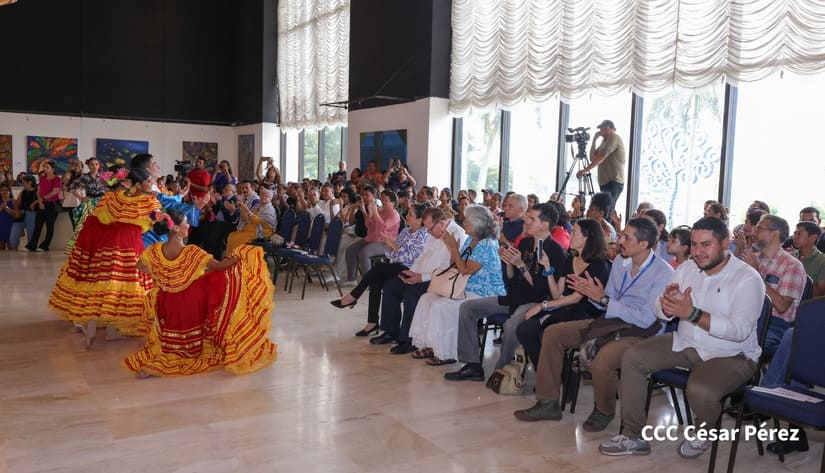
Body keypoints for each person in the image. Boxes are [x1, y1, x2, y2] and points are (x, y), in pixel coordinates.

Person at [599, 217, 764, 459]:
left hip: (731, 354)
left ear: (725, 244)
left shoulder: (748, 279)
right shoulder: (687, 268)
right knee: (633, 357)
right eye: (694, 244)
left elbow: (739, 331)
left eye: (706, 245)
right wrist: (667, 306)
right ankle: (632, 436)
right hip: (686, 342)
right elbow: (659, 309)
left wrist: (693, 313)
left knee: (700, 389)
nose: (698, 252)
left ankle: (705, 432)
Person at [513, 218, 673, 432]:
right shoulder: (621, 262)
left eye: (626, 238)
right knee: (553, 333)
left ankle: (604, 410)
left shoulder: (664, 273)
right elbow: (607, 299)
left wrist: (604, 300)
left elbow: (647, 319)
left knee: (603, 358)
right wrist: (591, 293)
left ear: (643, 244)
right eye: (621, 235)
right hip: (611, 322)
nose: (619, 241)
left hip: (640, 332)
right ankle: (548, 401)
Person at [123, 211, 275, 377]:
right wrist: (241, 256)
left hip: (167, 299)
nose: (189, 226)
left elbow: (139, 266)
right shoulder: (192, 251)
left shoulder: (155, 250)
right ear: (176, 229)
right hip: (191, 301)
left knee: (172, 328)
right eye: (186, 223)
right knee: (214, 295)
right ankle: (187, 352)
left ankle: (168, 354)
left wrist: (161, 274)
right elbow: (220, 266)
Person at [444, 203, 567, 380]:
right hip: (514, 296)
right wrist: (509, 264)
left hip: (535, 302)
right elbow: (511, 279)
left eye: (532, 219)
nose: (526, 221)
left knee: (510, 325)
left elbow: (542, 289)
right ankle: (472, 364)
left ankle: (502, 371)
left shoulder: (556, 251)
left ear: (545, 225)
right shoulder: (525, 242)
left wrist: (520, 265)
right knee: (468, 308)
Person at [49, 167, 163, 348]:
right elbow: (152, 225)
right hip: (128, 247)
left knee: (101, 286)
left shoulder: (112, 197)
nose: (152, 184)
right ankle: (109, 332)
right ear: (138, 184)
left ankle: (96, 332)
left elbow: (99, 219)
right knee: (118, 289)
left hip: (106, 247)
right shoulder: (148, 202)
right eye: (149, 181)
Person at [409, 205, 506, 366]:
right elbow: (455, 265)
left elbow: (466, 270)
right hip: (466, 286)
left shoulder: (487, 244)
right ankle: (431, 345)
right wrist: (451, 247)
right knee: (426, 298)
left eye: (467, 220)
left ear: (476, 223)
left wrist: (453, 247)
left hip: (484, 291)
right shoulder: (471, 240)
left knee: (441, 306)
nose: (463, 222)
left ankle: (446, 353)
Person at [514, 219, 612, 370]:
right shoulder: (571, 258)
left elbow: (576, 298)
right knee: (524, 330)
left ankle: (558, 373)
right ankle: (545, 371)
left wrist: (542, 306)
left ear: (586, 238)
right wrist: (547, 268)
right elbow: (556, 293)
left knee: (544, 334)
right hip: (565, 309)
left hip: (584, 315)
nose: (569, 236)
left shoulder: (599, 265)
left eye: (574, 233)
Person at [370, 208, 467, 354]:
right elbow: (423, 255)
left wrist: (421, 277)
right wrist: (412, 272)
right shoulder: (434, 232)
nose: (428, 232)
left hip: (439, 280)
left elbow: (448, 267)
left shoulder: (456, 234)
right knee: (391, 286)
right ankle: (391, 331)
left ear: (440, 223)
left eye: (429, 229)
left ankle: (408, 339)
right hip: (421, 275)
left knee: (411, 293)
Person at [330, 204, 429, 336]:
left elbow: (410, 257)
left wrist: (394, 246)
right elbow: (391, 254)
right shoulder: (405, 231)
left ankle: (353, 297)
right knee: (375, 280)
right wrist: (394, 247)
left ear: (419, 220)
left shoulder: (423, 235)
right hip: (397, 265)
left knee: (377, 268)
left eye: (410, 214)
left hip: (411, 269)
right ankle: (372, 323)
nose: (406, 216)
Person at [738, 214, 806, 357]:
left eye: (759, 229)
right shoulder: (754, 258)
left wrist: (756, 275)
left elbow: (782, 306)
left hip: (774, 323)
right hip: (748, 315)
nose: (753, 232)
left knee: (735, 345)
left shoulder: (792, 266)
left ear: (774, 234)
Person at [343, 187, 400, 284]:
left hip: (386, 243)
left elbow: (382, 228)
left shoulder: (394, 214)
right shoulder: (380, 211)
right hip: (372, 238)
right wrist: (369, 212)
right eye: (382, 200)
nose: (383, 202)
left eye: (386, 200)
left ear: (393, 203)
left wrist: (375, 213)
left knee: (364, 252)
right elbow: (368, 225)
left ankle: (369, 282)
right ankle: (351, 279)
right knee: (350, 250)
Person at [577, 120, 626, 211]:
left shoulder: (614, 137)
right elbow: (592, 158)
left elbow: (602, 156)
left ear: (613, 129)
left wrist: (585, 170)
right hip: (605, 182)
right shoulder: (604, 142)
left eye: (605, 129)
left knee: (607, 210)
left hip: (614, 181)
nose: (602, 131)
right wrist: (594, 140)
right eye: (601, 129)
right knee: (604, 210)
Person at [225, 186, 277, 255]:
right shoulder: (257, 206)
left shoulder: (270, 209)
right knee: (232, 235)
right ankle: (229, 257)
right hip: (251, 229)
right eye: (262, 195)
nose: (263, 197)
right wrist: (242, 209)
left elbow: (259, 221)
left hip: (262, 231)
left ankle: (237, 258)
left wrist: (246, 210)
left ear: (270, 199)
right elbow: (248, 218)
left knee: (238, 238)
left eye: (266, 196)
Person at [24, 161, 62, 252]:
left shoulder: (57, 179)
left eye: (47, 167)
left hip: (52, 204)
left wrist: (43, 198)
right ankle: (31, 246)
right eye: (44, 167)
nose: (45, 169)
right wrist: (40, 202)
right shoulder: (43, 178)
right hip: (42, 203)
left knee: (49, 225)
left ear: (53, 169)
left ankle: (45, 246)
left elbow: (55, 191)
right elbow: (38, 191)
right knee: (38, 225)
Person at [792, 221, 825, 297]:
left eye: (799, 234)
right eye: (794, 233)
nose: (795, 237)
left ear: (813, 238)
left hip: (809, 303)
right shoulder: (790, 257)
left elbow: (819, 291)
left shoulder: (822, 261)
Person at [10, 175, 37, 251]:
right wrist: (17, 211)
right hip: (21, 214)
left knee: (31, 233)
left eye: (24, 182)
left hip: (31, 214)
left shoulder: (37, 191)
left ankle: (30, 246)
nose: (23, 185)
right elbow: (17, 204)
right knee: (14, 235)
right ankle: (14, 247)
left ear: (30, 182)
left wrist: (35, 202)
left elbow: (41, 200)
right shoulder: (23, 192)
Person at [0, 184, 14, 250]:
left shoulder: (13, 201)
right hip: (1, 225)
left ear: (9, 191)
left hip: (10, 224)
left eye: (6, 190)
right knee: (1, 247)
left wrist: (6, 206)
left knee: (11, 246)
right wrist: (2, 205)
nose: (4, 192)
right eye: (2, 190)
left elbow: (14, 213)